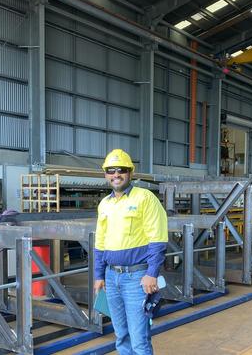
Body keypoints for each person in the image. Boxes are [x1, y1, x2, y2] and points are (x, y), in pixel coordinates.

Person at [93, 149, 168, 355]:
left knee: (139, 341)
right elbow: (100, 241)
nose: (116, 174)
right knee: (121, 336)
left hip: (137, 278)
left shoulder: (145, 198)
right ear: (105, 174)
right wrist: (99, 275)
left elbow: (158, 238)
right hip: (111, 277)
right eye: (111, 170)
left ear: (130, 173)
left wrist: (152, 273)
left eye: (121, 170)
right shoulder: (105, 204)